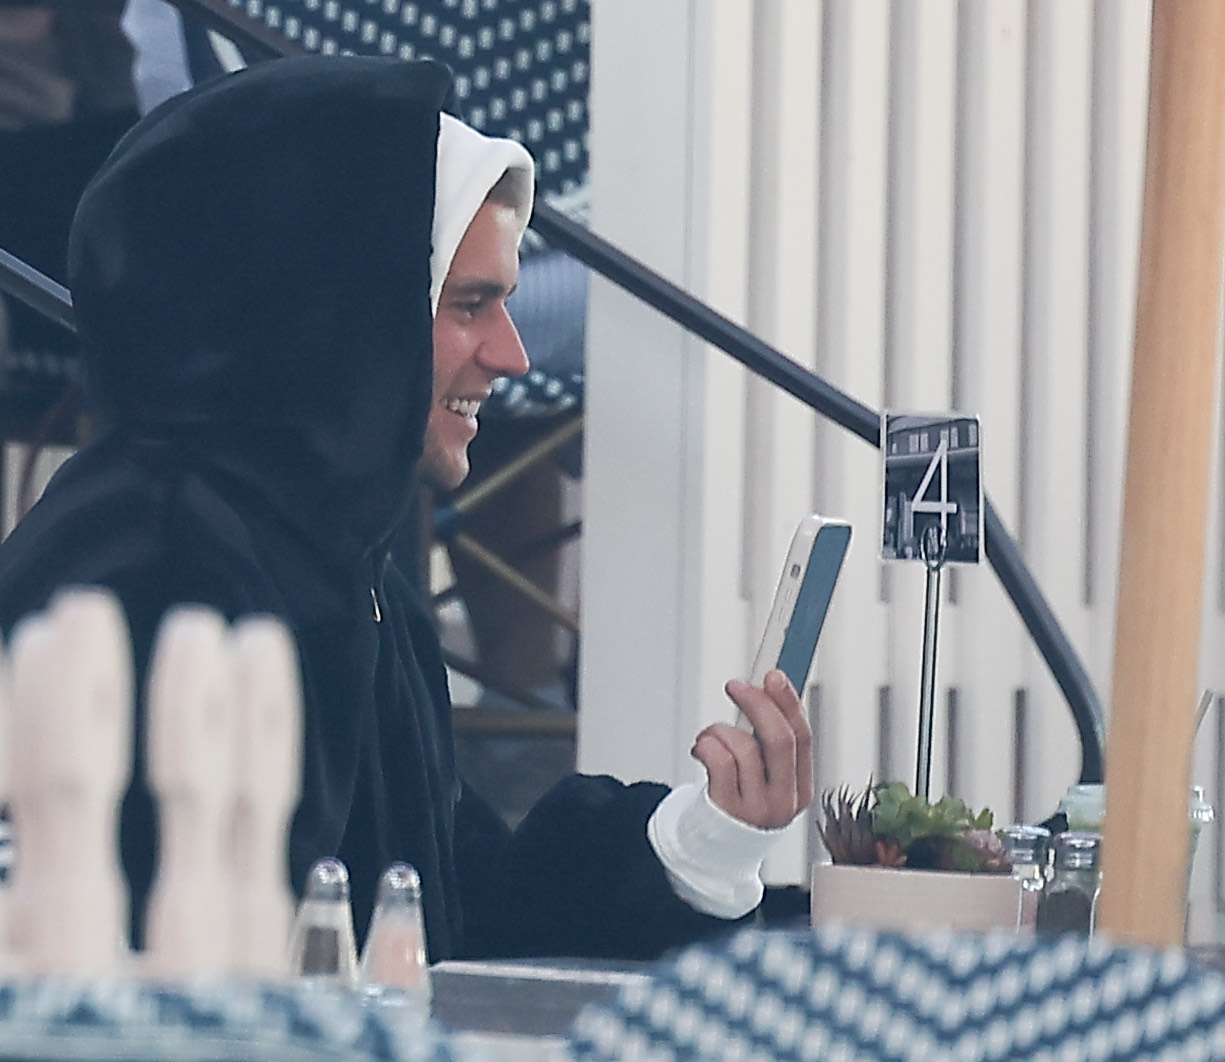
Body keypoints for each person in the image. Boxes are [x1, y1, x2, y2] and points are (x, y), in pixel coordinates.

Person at [0, 54, 809, 961]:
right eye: (470, 305)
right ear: (339, 313)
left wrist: (694, 846)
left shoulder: (342, 565)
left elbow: (445, 914)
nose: (511, 356)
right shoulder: (152, 568)